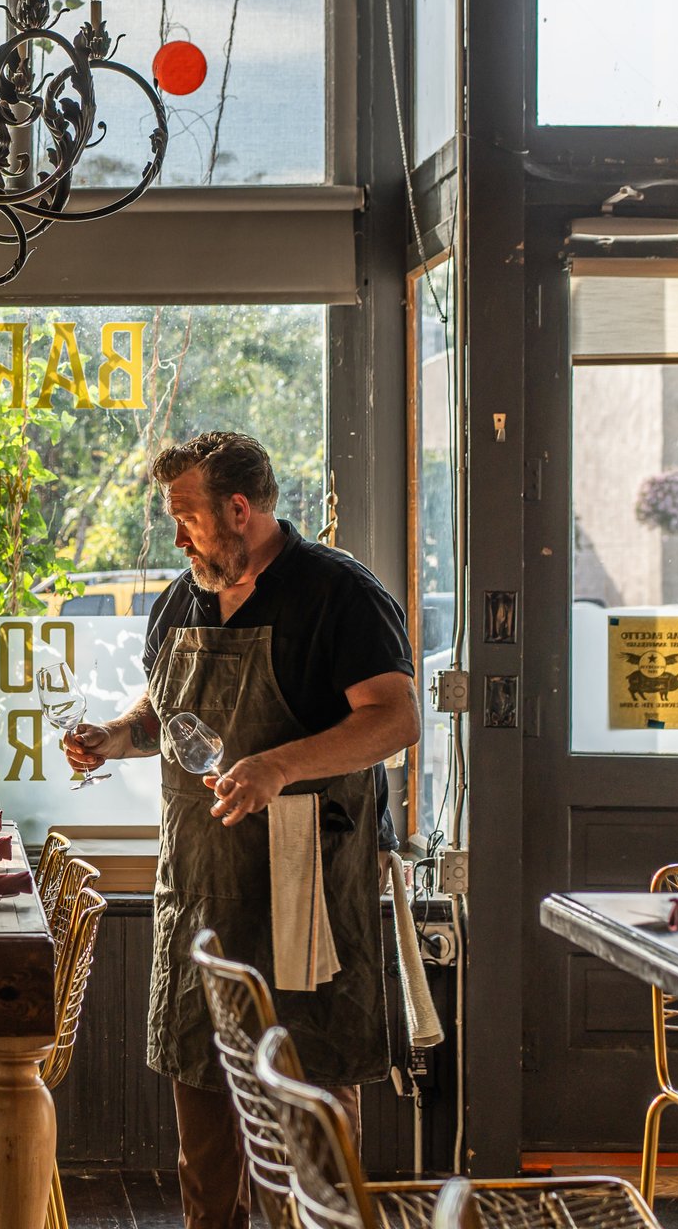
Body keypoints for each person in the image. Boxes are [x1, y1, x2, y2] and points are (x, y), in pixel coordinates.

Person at [62, 431, 419, 1229]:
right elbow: (162, 714)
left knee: (309, 1115)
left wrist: (279, 767)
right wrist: (112, 739)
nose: (178, 535)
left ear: (239, 508)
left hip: (306, 895)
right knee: (205, 1125)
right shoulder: (182, 597)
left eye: (188, 516)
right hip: (200, 891)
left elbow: (395, 720)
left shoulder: (337, 594)